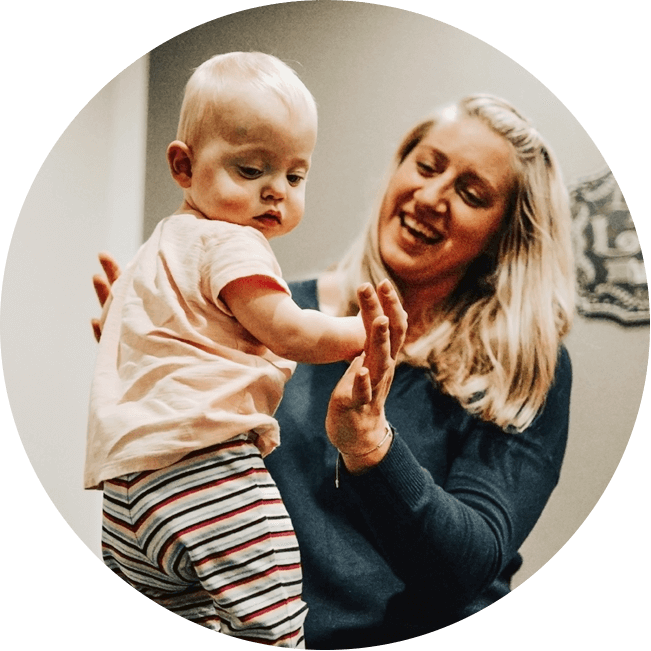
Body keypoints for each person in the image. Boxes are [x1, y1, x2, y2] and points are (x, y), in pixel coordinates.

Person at [92, 92, 574, 649]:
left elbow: (464, 573)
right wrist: (154, 369)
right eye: (427, 166)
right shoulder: (261, 311)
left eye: (471, 194)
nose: (433, 196)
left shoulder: (525, 366)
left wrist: (372, 449)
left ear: (502, 238)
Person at [85, 51, 405, 649]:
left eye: (294, 176)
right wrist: (370, 331)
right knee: (275, 628)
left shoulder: (156, 249)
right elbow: (293, 332)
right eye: (251, 169)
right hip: (206, 473)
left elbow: (132, 339)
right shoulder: (235, 243)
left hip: (127, 493)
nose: (274, 193)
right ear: (183, 166)